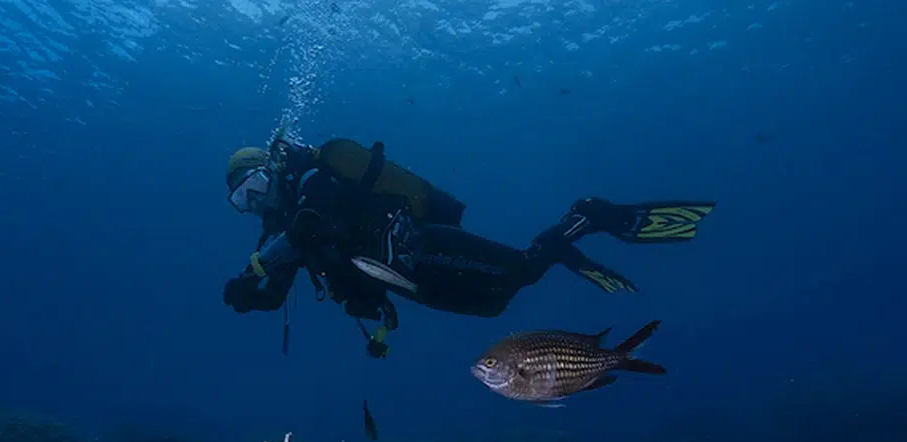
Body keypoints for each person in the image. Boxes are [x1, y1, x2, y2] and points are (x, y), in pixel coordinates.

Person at [221, 135, 715, 358]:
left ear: (273, 170)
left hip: (421, 247)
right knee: (494, 304)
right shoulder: (282, 237)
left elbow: (306, 231)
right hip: (409, 281)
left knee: (518, 273)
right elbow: (277, 290)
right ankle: (559, 246)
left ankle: (586, 216)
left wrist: (256, 266)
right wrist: (249, 296)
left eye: (255, 187)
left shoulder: (313, 184)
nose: (256, 202)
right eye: (243, 200)